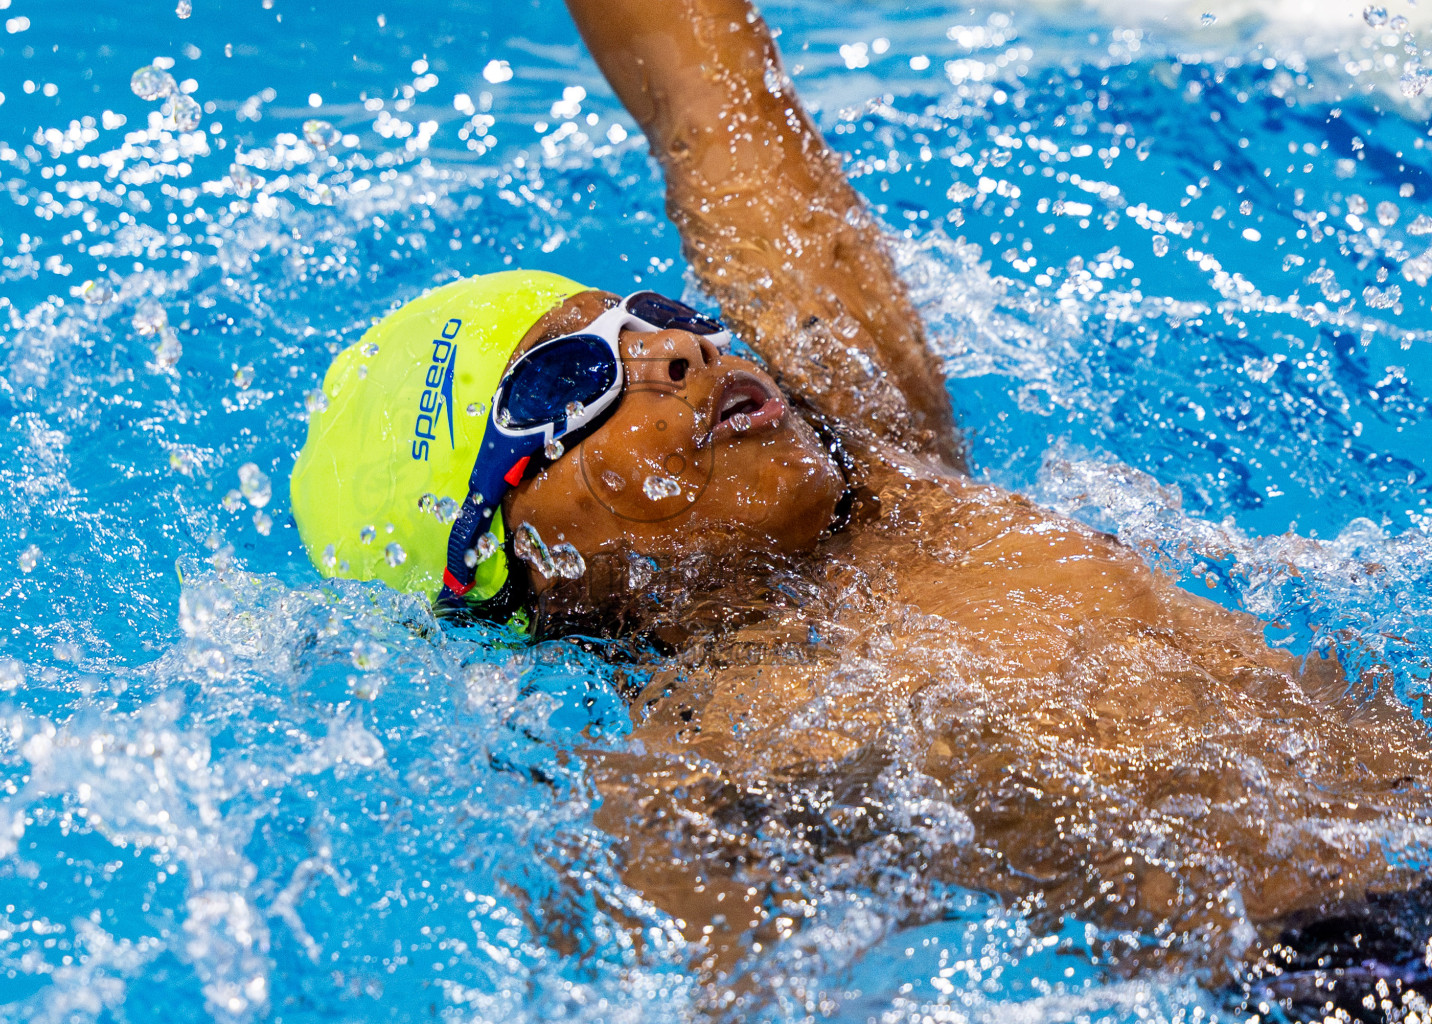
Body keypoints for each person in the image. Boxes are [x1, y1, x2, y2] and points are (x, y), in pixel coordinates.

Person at [291, 0, 1432, 1015]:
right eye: (571, 381)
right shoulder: (698, 770)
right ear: (512, 559)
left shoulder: (878, 441)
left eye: (648, 315)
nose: (678, 352)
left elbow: (711, 92)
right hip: (1352, 970)